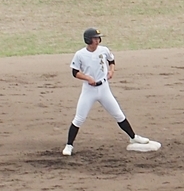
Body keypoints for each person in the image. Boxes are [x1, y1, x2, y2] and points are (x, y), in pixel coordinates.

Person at [63, 28, 149, 156]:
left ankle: (133, 137)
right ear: (88, 40)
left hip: (104, 89)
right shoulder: (80, 54)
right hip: (89, 90)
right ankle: (69, 145)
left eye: (98, 38)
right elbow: (75, 72)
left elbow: (111, 61)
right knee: (79, 118)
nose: (98, 40)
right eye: (95, 38)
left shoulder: (104, 50)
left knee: (118, 114)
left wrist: (111, 70)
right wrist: (87, 78)